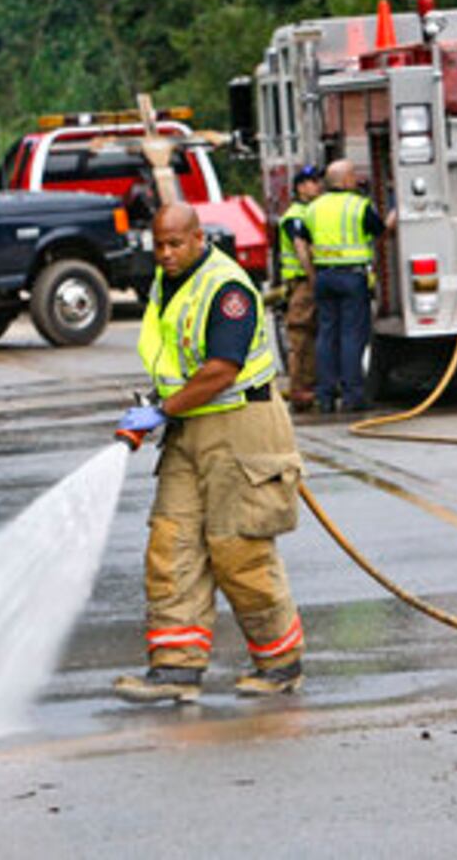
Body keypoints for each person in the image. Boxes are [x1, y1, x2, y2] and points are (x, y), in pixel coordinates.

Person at [112, 203, 307, 704]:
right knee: (170, 543)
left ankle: (280, 662)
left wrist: (163, 410)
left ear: (200, 239)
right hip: (188, 427)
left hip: (241, 428)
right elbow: (179, 361)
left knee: (238, 548)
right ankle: (175, 668)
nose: (166, 254)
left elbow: (223, 368)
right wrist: (156, 408)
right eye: (158, 245)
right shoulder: (166, 284)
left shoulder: (228, 289)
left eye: (175, 244)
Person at [298, 159, 396, 412]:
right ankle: (353, 395)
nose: (357, 179)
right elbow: (380, 231)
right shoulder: (359, 206)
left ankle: (326, 396)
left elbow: (302, 245)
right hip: (352, 278)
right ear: (344, 181)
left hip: (324, 278)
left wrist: (312, 276)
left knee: (326, 335)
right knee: (352, 336)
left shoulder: (312, 209)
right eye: (353, 175)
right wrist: (393, 218)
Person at [277, 165, 323, 414]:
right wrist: (313, 278)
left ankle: (310, 386)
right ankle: (300, 390)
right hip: (302, 282)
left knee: (312, 336)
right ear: (300, 187)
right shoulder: (296, 215)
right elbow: (301, 249)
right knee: (301, 336)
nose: (318, 185)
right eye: (312, 182)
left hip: (307, 281)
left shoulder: (310, 211)